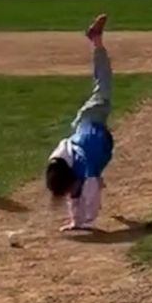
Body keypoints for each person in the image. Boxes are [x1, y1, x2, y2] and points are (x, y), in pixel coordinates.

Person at [44, 14, 116, 231]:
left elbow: (90, 201)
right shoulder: (59, 164)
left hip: (91, 116)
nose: (69, 192)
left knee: (103, 81)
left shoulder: (82, 168)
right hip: (90, 134)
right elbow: (74, 193)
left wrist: (86, 222)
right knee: (89, 177)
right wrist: (75, 222)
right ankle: (96, 40)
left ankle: (96, 40)